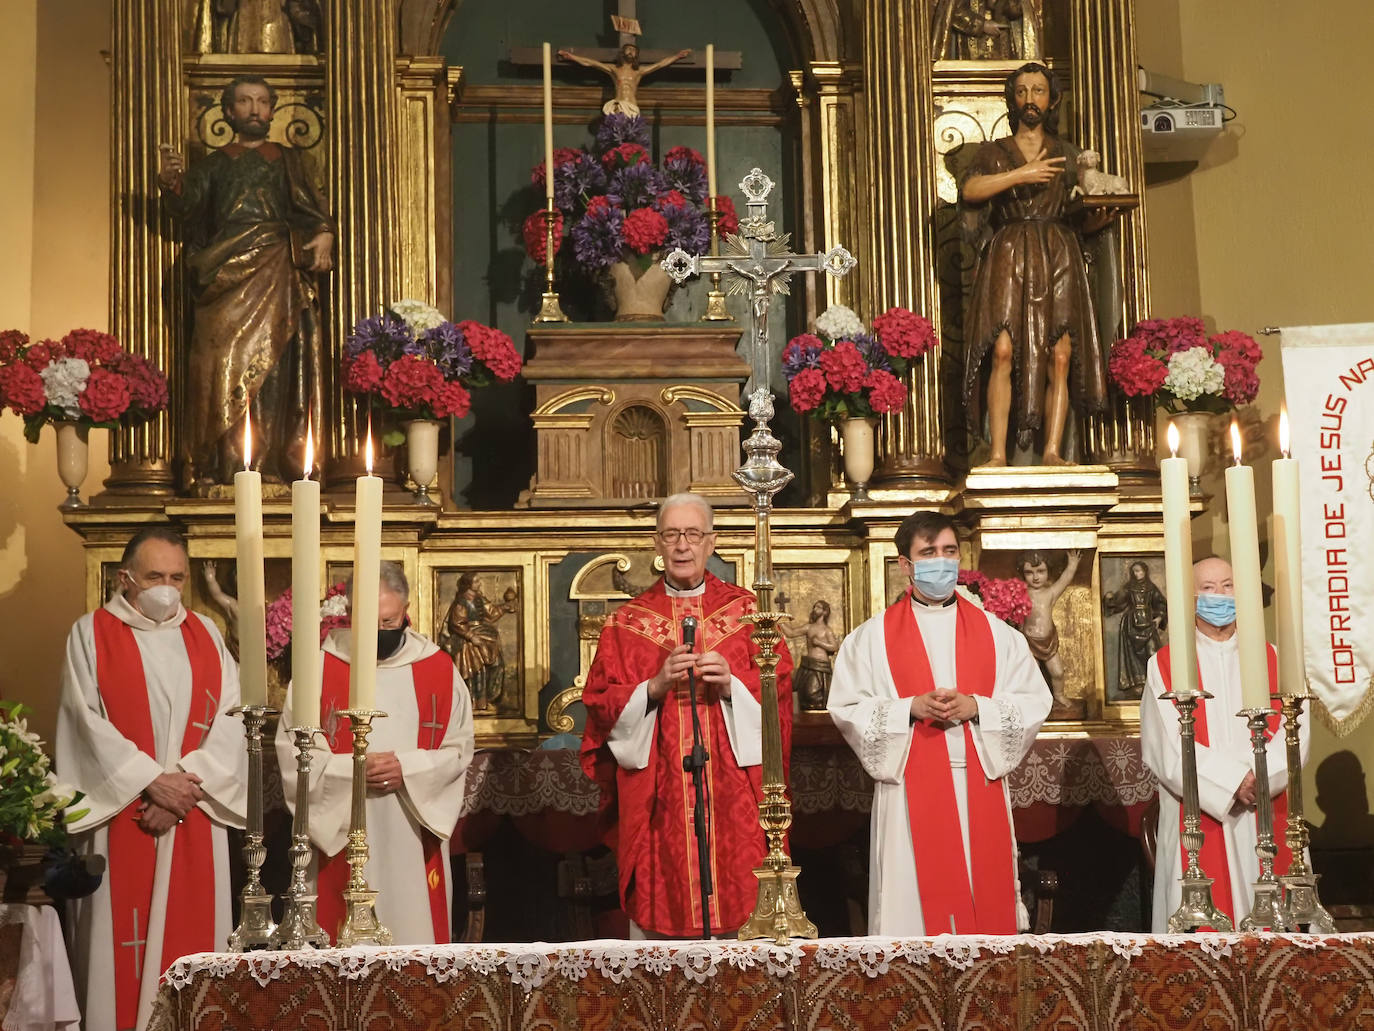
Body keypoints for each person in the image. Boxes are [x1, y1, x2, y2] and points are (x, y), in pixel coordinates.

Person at [56, 528, 246, 1031]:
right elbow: (83, 721)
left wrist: (184, 784)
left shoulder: (205, 634)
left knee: (193, 948)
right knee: (119, 955)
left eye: (177, 577)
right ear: (126, 578)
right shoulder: (91, 632)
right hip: (125, 813)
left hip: (193, 813)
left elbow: (233, 717)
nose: (168, 587)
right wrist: (149, 782)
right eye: (155, 576)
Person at [580, 492, 793, 937]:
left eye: (693, 534)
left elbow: (780, 698)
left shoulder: (750, 616)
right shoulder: (626, 625)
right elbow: (600, 703)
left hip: (735, 795)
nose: (682, 546)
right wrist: (653, 688)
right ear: (657, 544)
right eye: (672, 535)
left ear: (711, 542)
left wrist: (733, 684)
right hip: (661, 801)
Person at [828, 511, 1050, 936]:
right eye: (928, 553)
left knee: (982, 915)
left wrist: (978, 708)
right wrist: (908, 708)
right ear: (905, 565)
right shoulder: (871, 639)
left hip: (978, 785)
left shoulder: (999, 635)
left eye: (949, 551)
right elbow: (847, 707)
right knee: (911, 918)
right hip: (908, 790)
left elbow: (1033, 702)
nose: (941, 562)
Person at [275, 561, 475, 945]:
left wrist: (408, 768)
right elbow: (295, 752)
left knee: (412, 940)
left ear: (406, 611)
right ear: (349, 615)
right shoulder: (319, 668)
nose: (382, 633)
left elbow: (459, 748)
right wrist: (355, 771)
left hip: (411, 828)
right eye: (371, 624)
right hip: (340, 832)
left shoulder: (437, 668)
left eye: (390, 622)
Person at [158, 74, 335, 485]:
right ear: (228, 111)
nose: (254, 109)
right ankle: (225, 465)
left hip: (276, 269)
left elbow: (313, 206)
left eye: (261, 101)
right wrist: (171, 183)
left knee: (274, 366)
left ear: (272, 109)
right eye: (244, 101)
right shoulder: (214, 165)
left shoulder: (291, 160)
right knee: (221, 363)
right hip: (224, 274)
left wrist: (324, 233)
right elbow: (187, 210)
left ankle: (268, 464)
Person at [1140, 556, 1309, 932]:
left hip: (1264, 813)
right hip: (1199, 816)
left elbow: (1296, 734)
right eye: (1209, 588)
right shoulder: (1164, 665)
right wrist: (1233, 782)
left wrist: (1261, 781)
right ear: (1191, 598)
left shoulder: (1275, 659)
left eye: (1229, 586)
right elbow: (1165, 748)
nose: (1221, 596)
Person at [959, 63, 1115, 466]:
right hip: (1010, 249)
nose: (1031, 99)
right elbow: (971, 190)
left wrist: (1096, 219)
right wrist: (1021, 174)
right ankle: (996, 454)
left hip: (1057, 249)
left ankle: (1051, 451)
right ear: (1012, 99)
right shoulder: (993, 152)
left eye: (1039, 91)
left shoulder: (1068, 153)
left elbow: (1082, 202)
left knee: (1060, 354)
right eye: (1024, 90)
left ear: (1053, 99)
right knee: (1003, 350)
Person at [440, 572, 517, 712]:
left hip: (483, 635)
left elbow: (491, 612)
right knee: (476, 671)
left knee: (497, 665)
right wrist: (470, 636)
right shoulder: (461, 602)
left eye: (478, 581)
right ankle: (474, 704)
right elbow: (457, 623)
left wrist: (505, 607)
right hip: (467, 641)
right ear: (468, 584)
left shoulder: (479, 598)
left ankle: (490, 698)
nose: (479, 583)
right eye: (476, 581)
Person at [1015, 548, 1080, 712]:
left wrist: (1072, 564)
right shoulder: (1021, 593)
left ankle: (1058, 694)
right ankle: (1035, 700)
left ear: (1048, 572)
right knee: (1033, 675)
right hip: (1029, 642)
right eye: (1030, 572)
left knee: (1057, 672)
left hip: (1048, 641)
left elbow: (1065, 580)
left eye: (1040, 571)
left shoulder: (1050, 593)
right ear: (1023, 574)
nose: (1036, 577)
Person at [557, 43, 693, 118]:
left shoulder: (638, 72)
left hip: (632, 107)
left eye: (633, 50)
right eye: (627, 49)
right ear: (622, 53)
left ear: (636, 56)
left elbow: (660, 64)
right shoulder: (614, 70)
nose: (630, 52)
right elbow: (591, 63)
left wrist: (677, 56)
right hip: (617, 107)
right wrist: (571, 57)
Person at [1102, 560, 1166, 699]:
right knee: (1132, 655)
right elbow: (1119, 601)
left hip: (1148, 623)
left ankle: (1155, 682)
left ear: (1145, 571)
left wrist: (1159, 618)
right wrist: (1109, 599)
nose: (1138, 574)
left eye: (1140, 571)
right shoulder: (1129, 587)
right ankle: (1138, 683)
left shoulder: (1151, 587)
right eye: (1135, 571)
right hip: (1131, 625)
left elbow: (1160, 603)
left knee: (1152, 652)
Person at [933, 0, 1044, 61]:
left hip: (1003, 46)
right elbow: (954, 12)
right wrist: (982, 25)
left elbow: (1016, 10)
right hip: (970, 48)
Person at [782, 599, 840, 711]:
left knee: (814, 693)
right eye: (814, 607)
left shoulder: (827, 630)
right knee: (806, 692)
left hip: (821, 666)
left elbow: (835, 647)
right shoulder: (809, 627)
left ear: (825, 612)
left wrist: (819, 643)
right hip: (809, 666)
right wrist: (780, 621)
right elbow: (791, 633)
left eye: (818, 607)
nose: (815, 609)